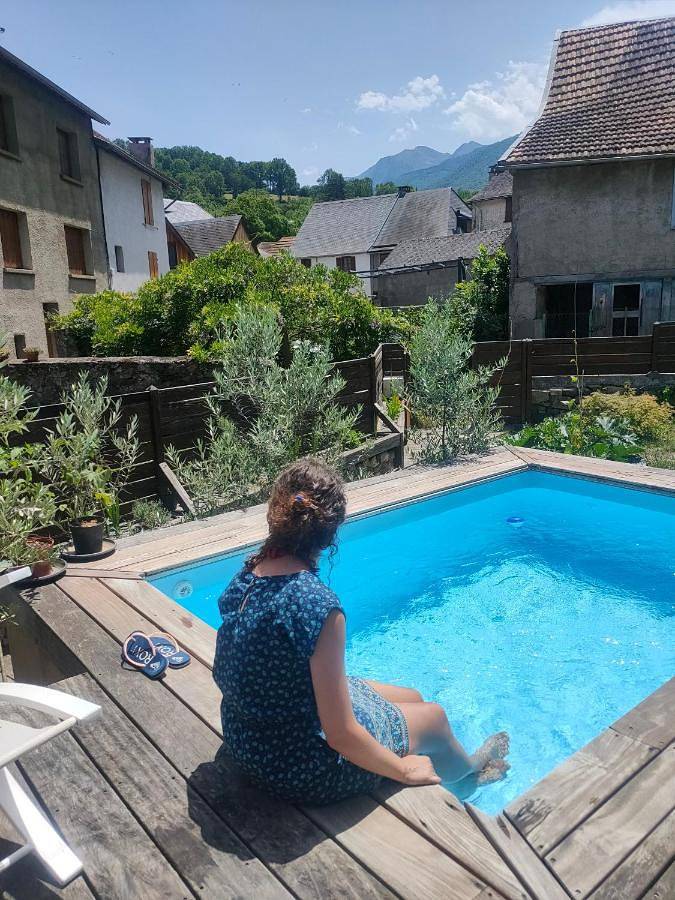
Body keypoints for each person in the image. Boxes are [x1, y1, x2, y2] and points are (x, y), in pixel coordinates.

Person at [213, 457, 510, 805]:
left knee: (412, 696)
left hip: (246, 738)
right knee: (434, 719)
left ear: (273, 514)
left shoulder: (247, 576)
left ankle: (455, 769)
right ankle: (467, 780)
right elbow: (340, 735)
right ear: (330, 533)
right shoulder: (318, 607)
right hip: (299, 769)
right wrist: (403, 771)